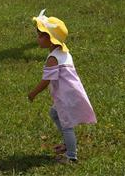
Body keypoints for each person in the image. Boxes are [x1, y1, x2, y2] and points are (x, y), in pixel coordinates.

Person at [27, 9, 96, 164]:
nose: (37, 39)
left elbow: (45, 81)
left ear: (50, 40)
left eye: (40, 36)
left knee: (66, 125)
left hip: (66, 97)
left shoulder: (53, 58)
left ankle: (71, 156)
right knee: (54, 114)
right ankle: (67, 143)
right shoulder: (63, 51)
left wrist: (33, 93)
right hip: (71, 93)